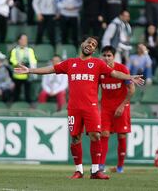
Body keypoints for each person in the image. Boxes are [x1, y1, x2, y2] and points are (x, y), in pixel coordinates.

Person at [14, 36, 144, 179]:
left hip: (91, 107)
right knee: (75, 137)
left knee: (96, 135)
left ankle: (95, 171)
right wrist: (30, 70)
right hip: (74, 107)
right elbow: (50, 69)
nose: (90, 45)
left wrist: (129, 77)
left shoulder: (98, 64)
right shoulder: (70, 63)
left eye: (94, 45)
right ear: (83, 43)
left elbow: (114, 73)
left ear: (94, 50)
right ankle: (79, 170)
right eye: (89, 42)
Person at [99, 45, 135, 173]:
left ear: (114, 57)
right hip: (106, 107)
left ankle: (120, 167)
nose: (106, 58)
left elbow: (132, 90)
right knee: (104, 134)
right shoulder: (100, 71)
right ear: (101, 56)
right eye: (104, 55)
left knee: (122, 135)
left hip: (121, 105)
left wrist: (122, 105)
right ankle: (100, 166)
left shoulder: (122, 69)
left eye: (109, 55)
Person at [9, 34, 37, 105]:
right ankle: (14, 104)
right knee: (16, 92)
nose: (25, 41)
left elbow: (33, 60)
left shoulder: (30, 50)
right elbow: (12, 60)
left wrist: (31, 66)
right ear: (19, 40)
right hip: (17, 74)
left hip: (27, 74)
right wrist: (18, 64)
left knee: (27, 92)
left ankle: (29, 104)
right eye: (23, 39)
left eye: (26, 39)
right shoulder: (14, 50)